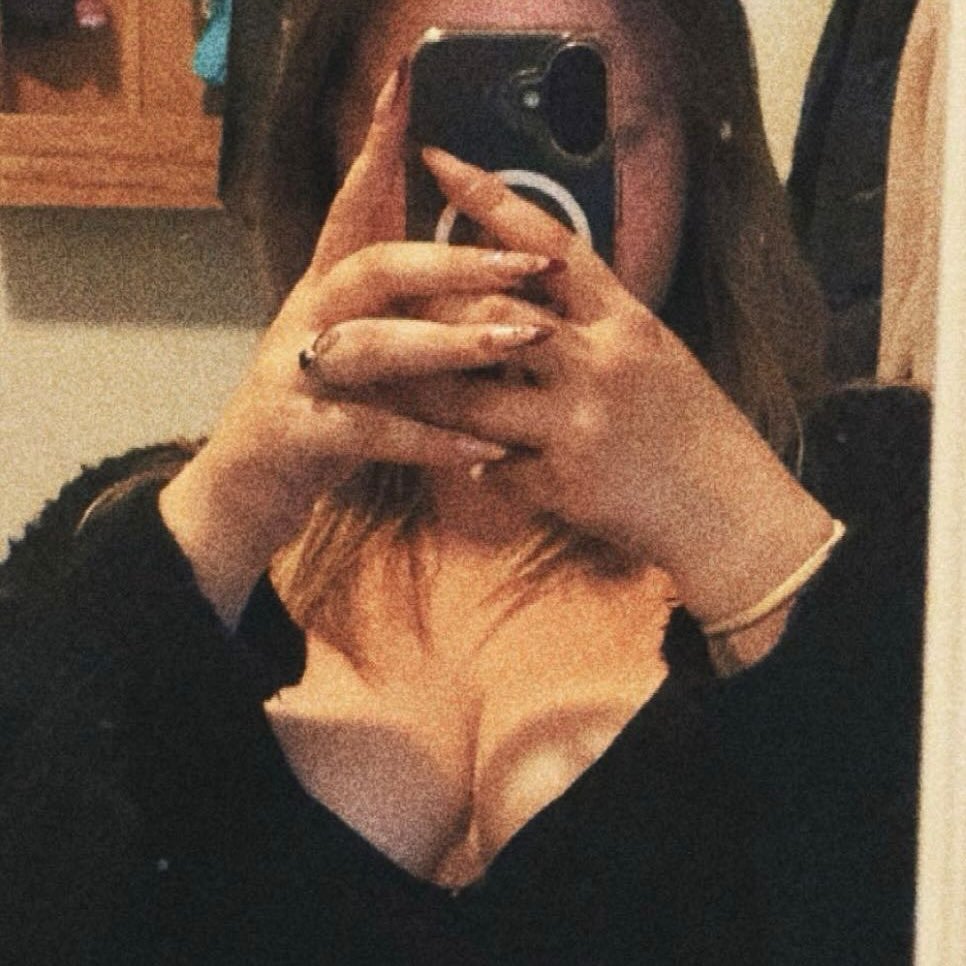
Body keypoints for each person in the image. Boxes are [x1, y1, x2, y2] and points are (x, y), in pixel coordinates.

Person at [0, 0, 928, 962]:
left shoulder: (875, 496)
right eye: (448, 135)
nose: (511, 204)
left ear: (703, 143)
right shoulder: (142, 537)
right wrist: (227, 508)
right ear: (331, 148)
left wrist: (736, 534)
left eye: (587, 125)